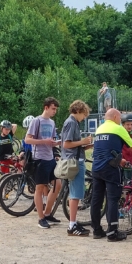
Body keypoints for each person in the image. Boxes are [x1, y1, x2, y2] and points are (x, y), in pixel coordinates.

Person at [90, 109, 132, 241]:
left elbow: (104, 149)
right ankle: (112, 232)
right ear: (115, 117)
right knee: (112, 199)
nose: (120, 121)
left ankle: (97, 230)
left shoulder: (99, 129)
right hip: (110, 168)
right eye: (119, 118)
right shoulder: (118, 129)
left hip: (96, 167)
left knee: (96, 199)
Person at [26, 97, 63, 229]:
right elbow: (27, 140)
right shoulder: (36, 121)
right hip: (39, 158)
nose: (54, 111)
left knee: (57, 185)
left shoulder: (52, 123)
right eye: (53, 108)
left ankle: (47, 213)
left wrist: (56, 143)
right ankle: (41, 218)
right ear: (46, 107)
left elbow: (52, 139)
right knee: (40, 188)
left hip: (50, 157)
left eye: (56, 109)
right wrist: (44, 141)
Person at [61, 100, 93, 237]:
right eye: (84, 114)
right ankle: (72, 225)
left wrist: (87, 146)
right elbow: (66, 144)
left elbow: (73, 145)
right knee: (75, 194)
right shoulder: (71, 123)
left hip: (76, 159)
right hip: (73, 162)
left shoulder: (74, 123)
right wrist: (83, 142)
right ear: (78, 111)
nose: (84, 117)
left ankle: (73, 223)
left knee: (76, 193)